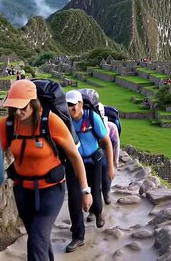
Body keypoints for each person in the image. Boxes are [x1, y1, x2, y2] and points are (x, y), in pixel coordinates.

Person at [0, 79, 92, 261]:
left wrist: (85, 191)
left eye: (22, 106)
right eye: (13, 107)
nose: (18, 112)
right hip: (23, 191)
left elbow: (74, 156)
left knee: (37, 240)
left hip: (51, 189)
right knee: (37, 236)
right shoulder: (8, 125)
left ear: (33, 102)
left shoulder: (51, 122)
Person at [64, 90, 114, 250]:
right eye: (67, 106)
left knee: (95, 190)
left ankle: (97, 212)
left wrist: (111, 166)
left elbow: (107, 141)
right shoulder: (66, 122)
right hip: (73, 164)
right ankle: (78, 236)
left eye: (72, 105)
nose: (70, 109)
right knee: (73, 198)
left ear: (80, 104)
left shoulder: (92, 118)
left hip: (93, 161)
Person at [98, 103, 121, 205]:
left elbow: (116, 144)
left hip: (107, 152)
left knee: (106, 175)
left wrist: (115, 161)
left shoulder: (111, 127)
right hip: (94, 153)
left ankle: (106, 194)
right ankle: (95, 204)